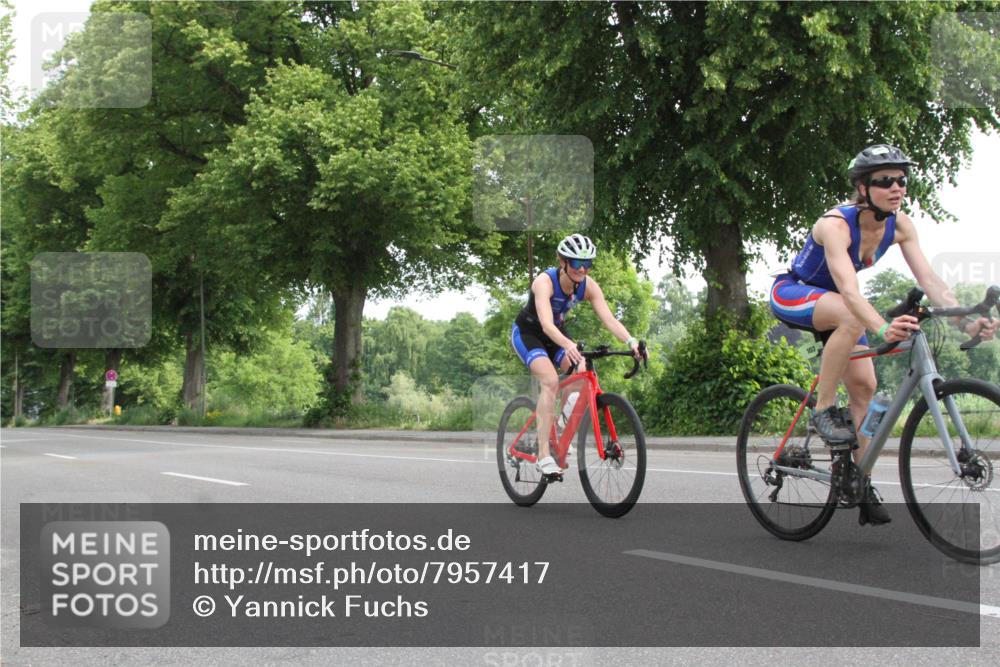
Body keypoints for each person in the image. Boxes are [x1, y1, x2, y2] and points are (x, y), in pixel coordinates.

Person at [769, 143, 997, 524]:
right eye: (885, 181)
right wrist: (881, 326)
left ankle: (859, 482)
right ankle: (823, 408)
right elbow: (850, 291)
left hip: (842, 311)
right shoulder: (835, 225)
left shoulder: (901, 225)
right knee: (854, 316)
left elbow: (930, 280)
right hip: (794, 293)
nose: (897, 187)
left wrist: (965, 320)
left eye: (902, 180)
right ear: (862, 188)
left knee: (865, 388)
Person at [511, 233, 646, 476]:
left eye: (587, 264)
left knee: (582, 370)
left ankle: (559, 428)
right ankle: (543, 455)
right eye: (576, 263)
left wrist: (631, 341)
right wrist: (568, 345)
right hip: (529, 333)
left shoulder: (588, 286)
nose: (582, 269)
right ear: (562, 261)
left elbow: (608, 318)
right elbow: (546, 326)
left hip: (557, 334)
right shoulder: (545, 282)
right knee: (550, 380)